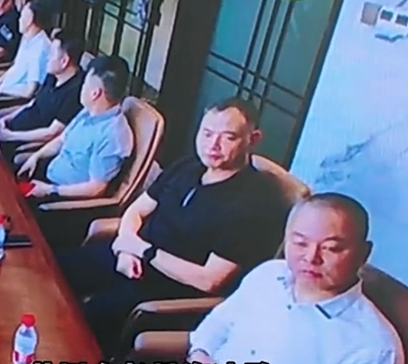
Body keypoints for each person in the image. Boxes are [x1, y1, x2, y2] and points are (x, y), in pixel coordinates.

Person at [55, 97, 287, 355]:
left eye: (228, 137)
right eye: (207, 133)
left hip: (167, 287)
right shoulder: (187, 167)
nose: (213, 145)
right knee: (54, 270)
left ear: (253, 139)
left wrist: (144, 251)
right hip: (131, 257)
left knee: (80, 321)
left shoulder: (255, 201)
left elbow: (209, 280)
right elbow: (137, 210)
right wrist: (126, 249)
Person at [188, 194, 403, 364]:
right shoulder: (268, 274)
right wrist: (200, 354)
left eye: (331, 248)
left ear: (364, 253)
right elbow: (217, 326)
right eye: (300, 243)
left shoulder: (373, 347)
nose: (311, 258)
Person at [18, 55, 133, 199]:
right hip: (50, 173)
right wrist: (36, 156)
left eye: (85, 84)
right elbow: (62, 140)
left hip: (62, 194)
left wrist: (49, 190)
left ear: (95, 93)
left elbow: (96, 188)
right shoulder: (88, 111)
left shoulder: (112, 135)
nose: (81, 87)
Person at [0, 35, 84, 162]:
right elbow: (33, 102)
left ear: (64, 61)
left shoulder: (75, 92)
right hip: (18, 125)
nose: (47, 57)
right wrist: (8, 118)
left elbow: (52, 132)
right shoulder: (53, 75)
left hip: (28, 138)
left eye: (51, 54)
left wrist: (11, 136)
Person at [0, 0, 53, 101]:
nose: (19, 20)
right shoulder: (27, 38)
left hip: (14, 97)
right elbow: (16, 68)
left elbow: (29, 91)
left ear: (30, 19)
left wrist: (2, 91)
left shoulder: (40, 50)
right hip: (7, 86)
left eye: (22, 16)